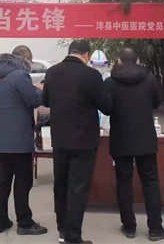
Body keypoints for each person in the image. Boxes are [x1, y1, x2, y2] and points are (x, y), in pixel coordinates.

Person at [42, 40, 112, 244]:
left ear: (70, 51)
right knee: (78, 187)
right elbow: (107, 107)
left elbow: (46, 101)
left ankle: (63, 230)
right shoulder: (91, 75)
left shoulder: (52, 72)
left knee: (61, 185)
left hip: (59, 139)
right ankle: (73, 237)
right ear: (86, 55)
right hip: (84, 141)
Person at [103, 48, 164, 241]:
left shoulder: (110, 82)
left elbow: (106, 108)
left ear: (119, 60)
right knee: (150, 181)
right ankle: (155, 228)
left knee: (123, 182)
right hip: (145, 139)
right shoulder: (149, 79)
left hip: (120, 139)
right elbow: (157, 102)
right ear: (138, 60)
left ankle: (129, 227)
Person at [0, 45, 48, 235]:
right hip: (20, 137)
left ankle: (0, 220)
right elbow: (33, 100)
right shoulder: (20, 75)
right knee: (23, 181)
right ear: (26, 59)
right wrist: (38, 90)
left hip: (3, 137)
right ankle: (24, 222)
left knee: (3, 180)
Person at [90, 49, 111, 132]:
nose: (99, 68)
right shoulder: (87, 79)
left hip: (107, 124)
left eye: (101, 65)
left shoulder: (110, 79)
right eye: (96, 65)